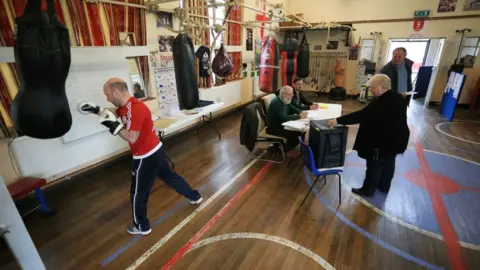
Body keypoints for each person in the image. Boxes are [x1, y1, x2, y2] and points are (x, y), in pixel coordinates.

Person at [78, 78, 202, 235]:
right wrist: (96, 110)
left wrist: (113, 125)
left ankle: (142, 226)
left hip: (145, 157)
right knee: (171, 177)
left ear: (116, 92)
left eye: (107, 94)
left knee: (138, 193)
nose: (107, 98)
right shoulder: (126, 106)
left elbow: (131, 138)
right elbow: (111, 111)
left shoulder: (136, 109)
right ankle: (194, 196)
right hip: (156, 150)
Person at [328, 74, 410, 197]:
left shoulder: (382, 102)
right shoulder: (398, 97)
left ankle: (368, 190)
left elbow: (362, 115)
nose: (370, 90)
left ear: (381, 87)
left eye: (372, 87)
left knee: (374, 165)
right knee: (389, 162)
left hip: (382, 142)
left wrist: (338, 120)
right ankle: (384, 186)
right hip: (397, 140)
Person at [267, 85, 308, 152]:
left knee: (301, 133)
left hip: (283, 124)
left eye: (291, 94)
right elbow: (284, 117)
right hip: (274, 128)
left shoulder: (285, 99)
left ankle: (282, 147)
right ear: (282, 94)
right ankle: (281, 150)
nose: (290, 97)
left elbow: (292, 108)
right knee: (297, 135)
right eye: (289, 94)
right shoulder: (277, 102)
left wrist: (301, 112)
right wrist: (299, 116)